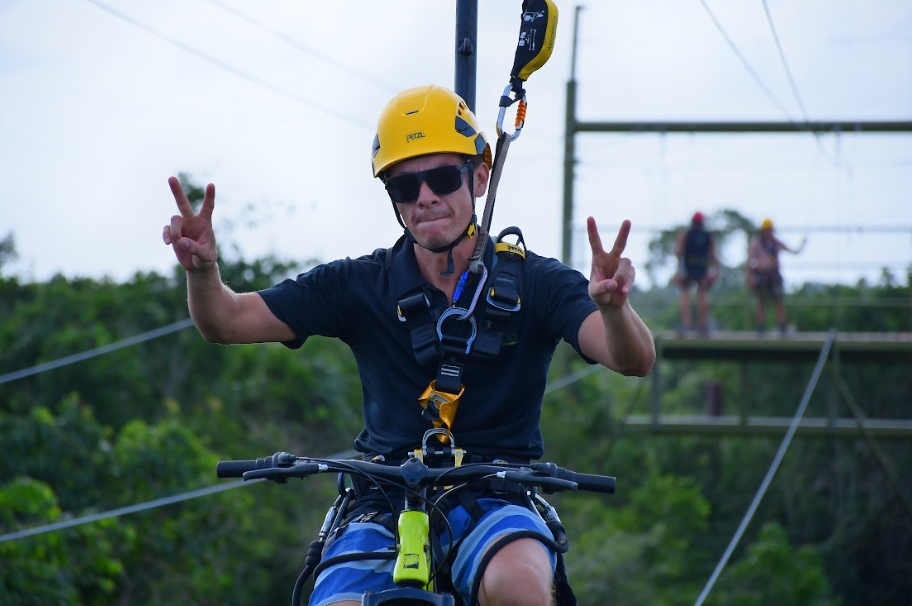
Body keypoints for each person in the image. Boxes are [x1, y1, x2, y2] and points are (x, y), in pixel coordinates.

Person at [163, 84, 655, 606]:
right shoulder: (357, 283)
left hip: (497, 499)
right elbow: (228, 320)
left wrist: (614, 308)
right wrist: (204, 272)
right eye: (404, 186)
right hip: (380, 503)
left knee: (518, 586)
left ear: (480, 177)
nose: (425, 197)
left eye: (443, 178)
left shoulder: (539, 283)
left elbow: (632, 357)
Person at [747, 218, 806, 335]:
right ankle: (760, 327)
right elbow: (749, 261)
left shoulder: (776, 243)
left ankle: (782, 326)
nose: (768, 232)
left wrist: (802, 244)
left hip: (774, 276)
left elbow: (794, 251)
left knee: (779, 301)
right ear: (763, 230)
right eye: (766, 230)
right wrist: (750, 277)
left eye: (770, 230)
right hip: (761, 276)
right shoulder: (756, 243)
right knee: (761, 302)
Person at [674, 211, 719, 335]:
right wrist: (715, 270)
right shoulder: (708, 236)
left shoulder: (687, 234)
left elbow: (678, 252)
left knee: (685, 296)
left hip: (689, 267)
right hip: (702, 268)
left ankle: (687, 325)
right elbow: (714, 255)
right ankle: (702, 326)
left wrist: (678, 270)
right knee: (703, 296)